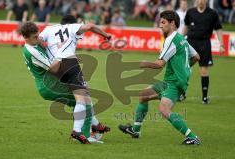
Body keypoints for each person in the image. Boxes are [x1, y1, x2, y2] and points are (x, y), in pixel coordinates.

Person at [20, 20, 110, 144]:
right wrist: (62, 52)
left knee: (80, 99)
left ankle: (94, 126)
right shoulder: (32, 52)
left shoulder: (33, 45)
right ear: (26, 37)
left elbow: (45, 49)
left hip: (50, 84)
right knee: (83, 98)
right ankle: (84, 133)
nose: (38, 38)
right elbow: (54, 68)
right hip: (49, 86)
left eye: (38, 35)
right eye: (35, 37)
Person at [119, 10, 201, 145]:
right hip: (171, 81)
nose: (160, 26)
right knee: (144, 95)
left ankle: (192, 137)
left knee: (164, 109)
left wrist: (144, 64)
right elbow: (196, 57)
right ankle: (135, 130)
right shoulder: (181, 39)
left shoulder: (171, 39)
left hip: (174, 83)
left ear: (173, 23)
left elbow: (159, 64)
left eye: (163, 22)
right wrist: (185, 69)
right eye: (159, 23)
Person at [183, 0, 225, 104]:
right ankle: (181, 93)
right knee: (184, 69)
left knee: (204, 70)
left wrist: (221, 44)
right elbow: (186, 26)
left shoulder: (212, 13)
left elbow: (218, 29)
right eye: (198, 0)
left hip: (204, 44)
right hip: (190, 42)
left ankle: (204, 98)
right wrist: (181, 39)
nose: (200, 1)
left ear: (205, 1)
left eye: (202, 0)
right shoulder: (190, 12)